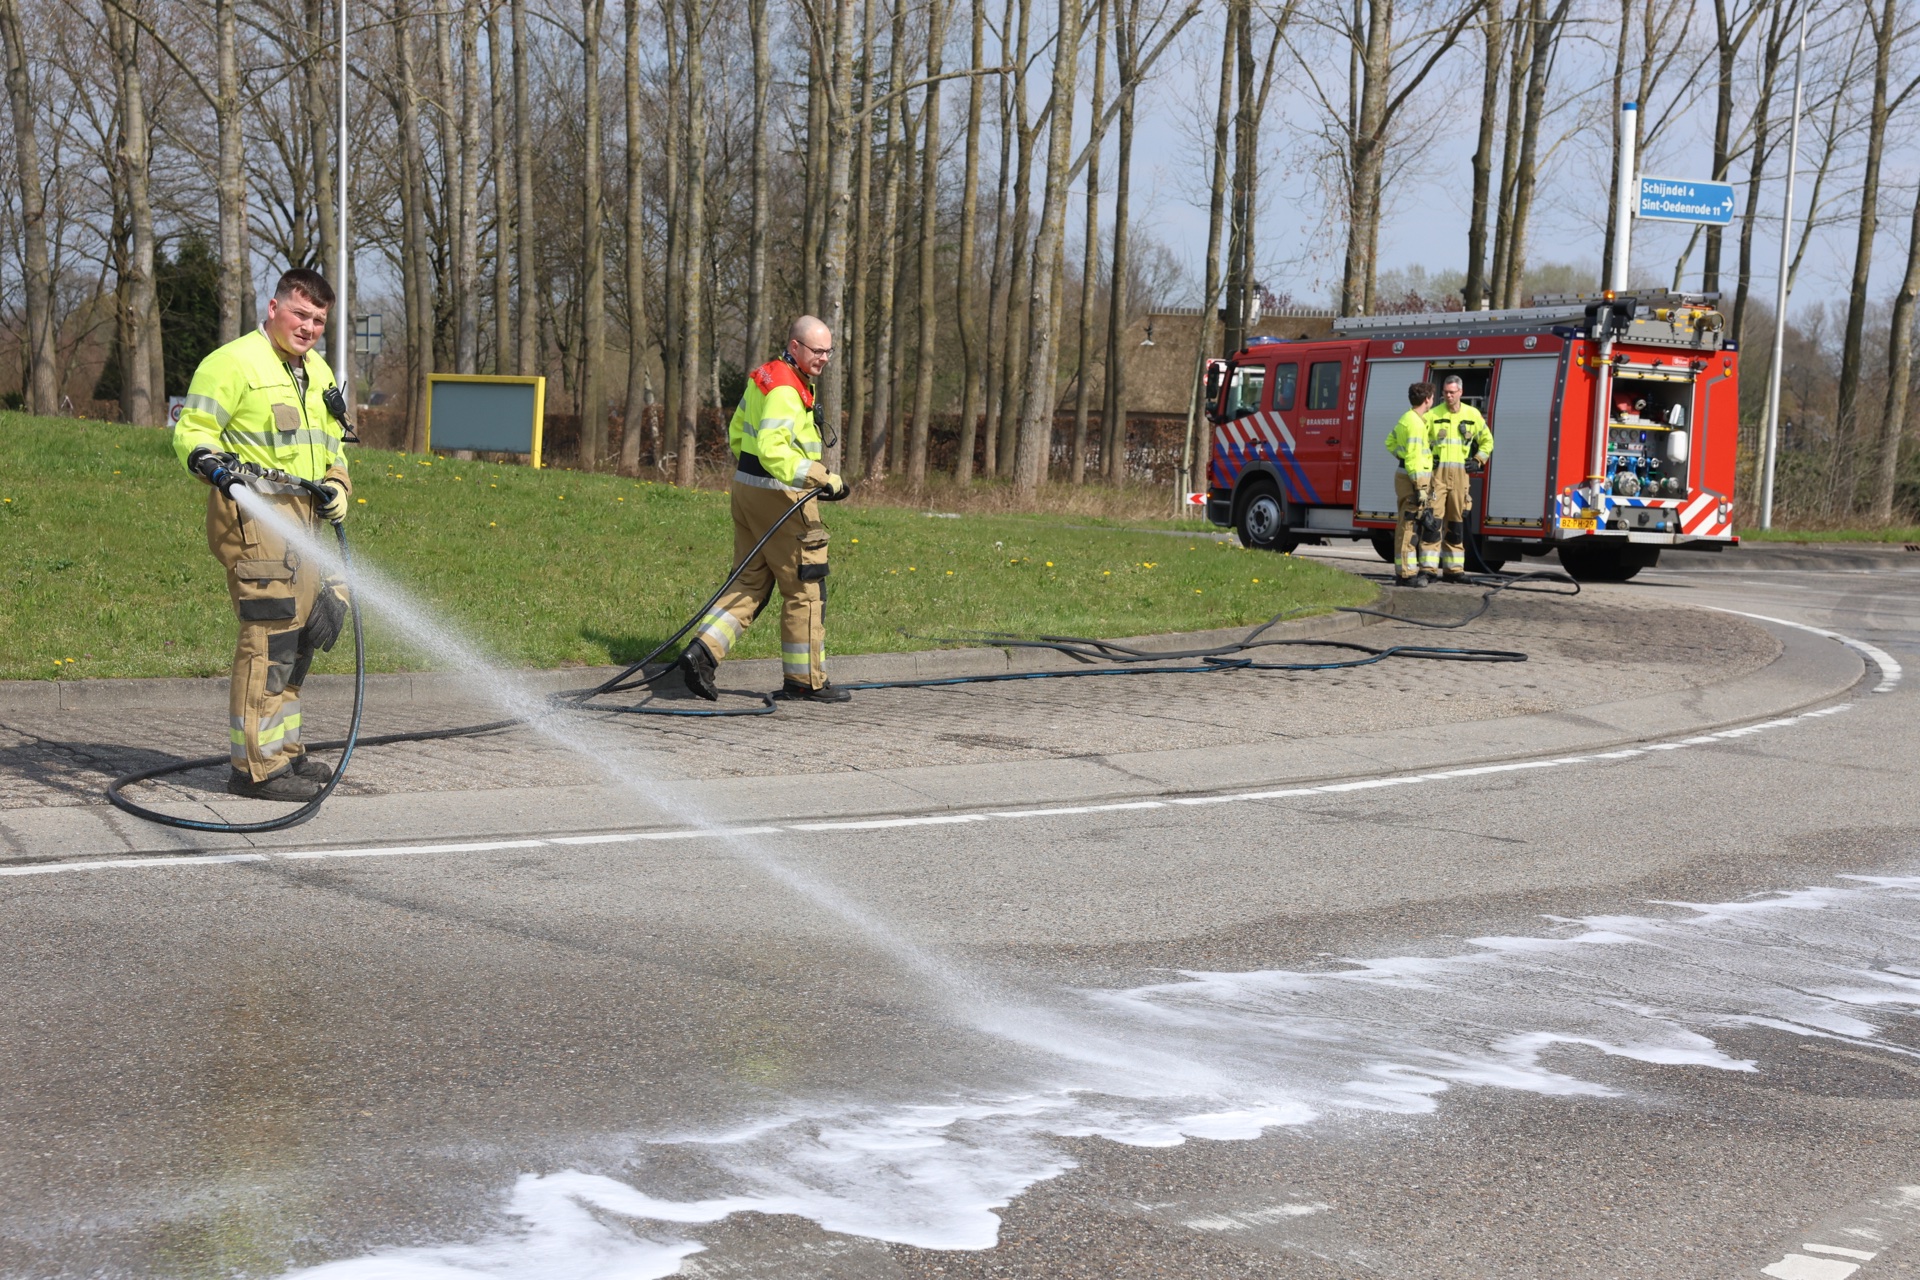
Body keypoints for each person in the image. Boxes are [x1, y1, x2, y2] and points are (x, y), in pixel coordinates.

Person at [173, 267, 353, 801]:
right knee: (269, 641)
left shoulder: (317, 372)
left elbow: (333, 447)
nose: (309, 327)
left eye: (319, 319)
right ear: (273, 308)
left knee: (300, 642)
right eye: (300, 313)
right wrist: (212, 464)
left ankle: (284, 753)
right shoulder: (232, 363)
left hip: (307, 525)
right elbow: (192, 430)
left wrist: (338, 483)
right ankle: (255, 768)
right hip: (255, 519)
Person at [679, 315, 851, 704]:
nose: (824, 358)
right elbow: (774, 448)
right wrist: (822, 477)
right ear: (795, 347)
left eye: (828, 351)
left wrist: (753, 477)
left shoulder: (766, 378)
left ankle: (700, 655)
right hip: (780, 498)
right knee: (806, 586)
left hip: (747, 490)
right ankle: (805, 682)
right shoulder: (787, 390)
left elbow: (738, 432)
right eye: (817, 350)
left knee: (750, 580)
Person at [1422, 374, 1495, 582]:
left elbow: (1487, 441)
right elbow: (1420, 442)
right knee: (1433, 523)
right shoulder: (1433, 415)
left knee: (1456, 524)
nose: (1448, 396)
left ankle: (1454, 570)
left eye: (1452, 392)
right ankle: (1428, 569)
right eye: (1445, 392)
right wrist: (1428, 459)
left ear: (1460, 393)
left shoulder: (1473, 415)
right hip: (1437, 477)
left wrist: (1478, 460)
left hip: (1461, 476)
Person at [1384, 381, 1436, 587]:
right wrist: (1419, 486)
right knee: (1408, 527)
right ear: (1427, 400)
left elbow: (1390, 442)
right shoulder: (1415, 424)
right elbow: (1414, 458)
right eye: (1432, 398)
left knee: (1407, 525)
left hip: (1406, 475)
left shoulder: (1407, 418)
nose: (1432, 401)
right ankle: (1406, 574)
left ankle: (1404, 571)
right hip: (1415, 479)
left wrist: (1402, 457)